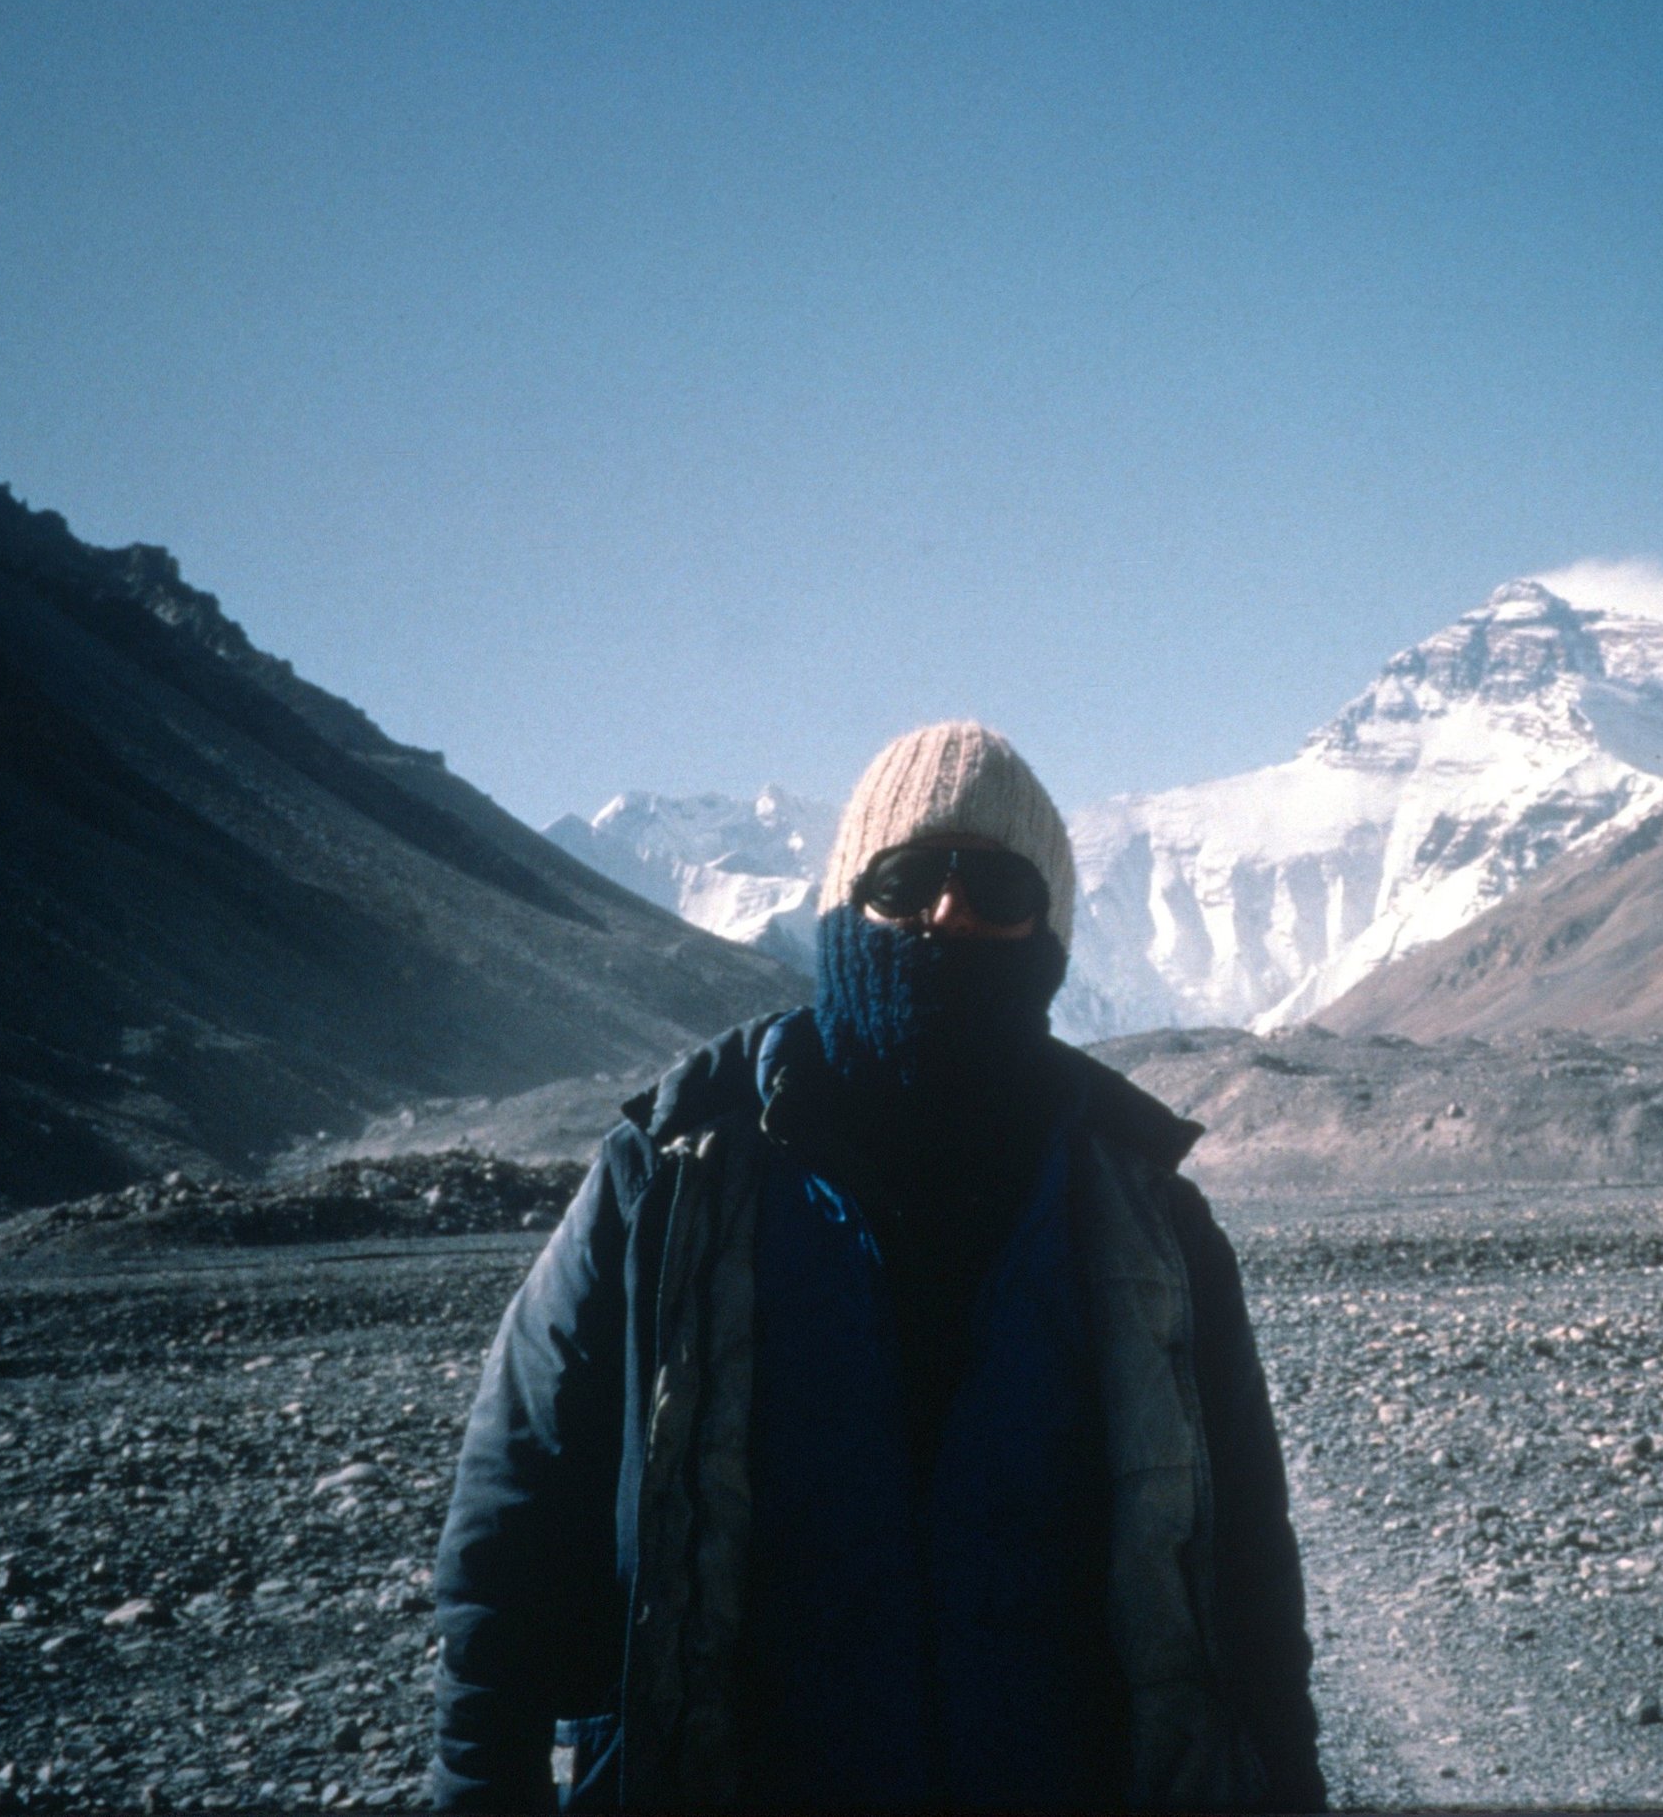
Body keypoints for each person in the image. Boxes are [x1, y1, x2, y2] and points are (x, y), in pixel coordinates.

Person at [425, 720, 1324, 1812]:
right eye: (908, 880)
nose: (949, 913)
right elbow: (512, 1522)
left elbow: (1248, 1578)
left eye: (995, 886)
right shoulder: (673, 1177)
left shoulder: (1148, 1216)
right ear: (846, 903)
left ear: (1050, 931)